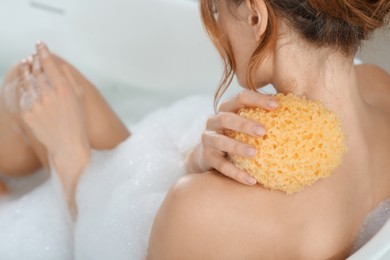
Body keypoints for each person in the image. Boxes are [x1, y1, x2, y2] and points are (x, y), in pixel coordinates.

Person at [147, 0, 390, 259]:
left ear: (255, 16)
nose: (219, 28)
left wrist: (189, 167)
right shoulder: (379, 85)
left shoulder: (198, 210)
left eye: (217, 10)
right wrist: (198, 157)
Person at [0, 43, 130, 217]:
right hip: (137, 197)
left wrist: (69, 152)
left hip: (119, 221)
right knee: (36, 78)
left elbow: (111, 237)